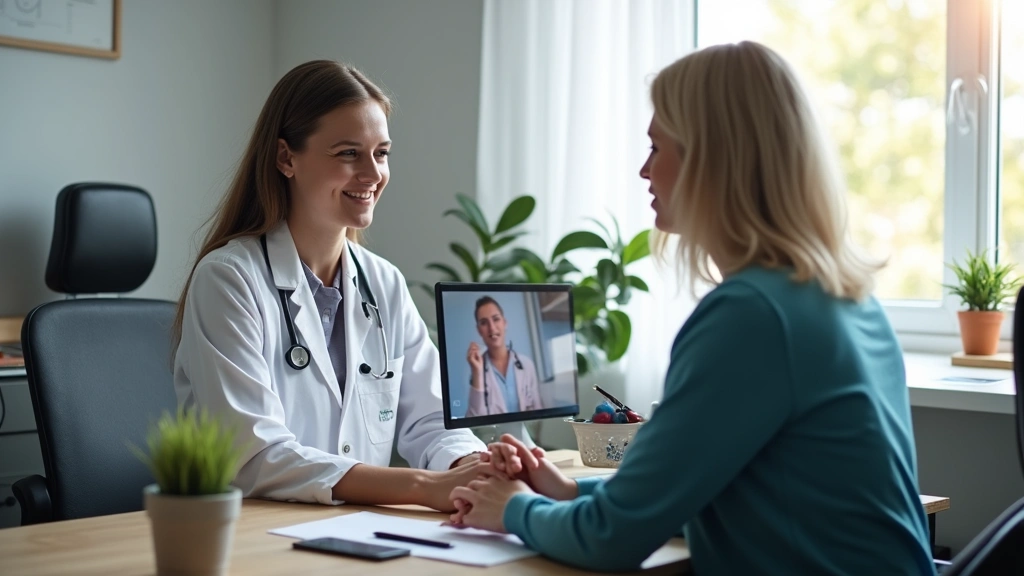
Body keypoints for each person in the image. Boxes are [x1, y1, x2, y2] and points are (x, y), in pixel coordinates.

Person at [446, 41, 937, 575]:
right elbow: (718, 493)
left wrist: (512, 508)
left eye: (657, 147)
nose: (643, 170)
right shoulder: (843, 295)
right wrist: (563, 490)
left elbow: (611, 540)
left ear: (712, 158)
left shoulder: (751, 316)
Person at [173, 60, 508, 512]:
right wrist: (422, 487)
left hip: (354, 534)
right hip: (254, 535)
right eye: (349, 153)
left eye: (382, 152)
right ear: (286, 158)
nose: (372, 175)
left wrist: (476, 467)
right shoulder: (230, 279)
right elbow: (254, 455)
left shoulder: (383, 282)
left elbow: (432, 420)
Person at [464, 296, 543, 417]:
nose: (492, 327)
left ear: (504, 323)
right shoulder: (477, 371)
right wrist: (477, 373)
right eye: (484, 323)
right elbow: (474, 419)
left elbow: (538, 412)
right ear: (479, 330)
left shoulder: (526, 365)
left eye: (496, 319)